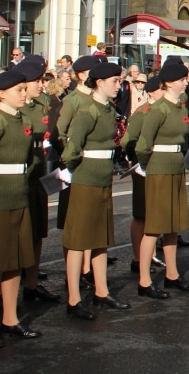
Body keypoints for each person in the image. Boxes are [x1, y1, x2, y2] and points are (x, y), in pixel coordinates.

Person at [61, 62, 130, 319]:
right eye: (115, 81)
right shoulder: (87, 112)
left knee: (100, 239)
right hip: (86, 179)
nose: (119, 86)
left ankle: (101, 291)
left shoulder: (108, 110)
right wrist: (79, 168)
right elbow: (71, 149)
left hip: (103, 179)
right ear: (99, 82)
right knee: (79, 240)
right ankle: (74, 299)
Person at [134, 61, 189, 298]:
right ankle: (144, 281)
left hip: (175, 166)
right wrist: (148, 166)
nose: (185, 82)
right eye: (181, 79)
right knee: (155, 226)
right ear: (169, 83)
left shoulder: (180, 107)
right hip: (159, 167)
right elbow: (143, 145)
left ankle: (172, 275)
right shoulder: (157, 109)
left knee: (172, 225)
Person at [0, 69, 43, 344]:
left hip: (19, 195)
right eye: (19, 90)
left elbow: (30, 157)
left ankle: (10, 320)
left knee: (13, 261)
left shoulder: (23, 119)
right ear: (2, 93)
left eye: (25, 89)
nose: (25, 94)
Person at [15, 58, 59, 303]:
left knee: (37, 233)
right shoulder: (13, 106)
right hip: (20, 177)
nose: (43, 85)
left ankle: (31, 285)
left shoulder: (42, 104)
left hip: (38, 175)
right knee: (12, 237)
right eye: (38, 81)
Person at [120, 75, 164, 277]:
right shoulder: (143, 112)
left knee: (155, 213)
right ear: (152, 92)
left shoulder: (165, 110)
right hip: (143, 166)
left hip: (160, 166)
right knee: (141, 214)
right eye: (161, 89)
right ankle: (138, 258)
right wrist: (136, 160)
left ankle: (151, 254)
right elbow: (128, 141)